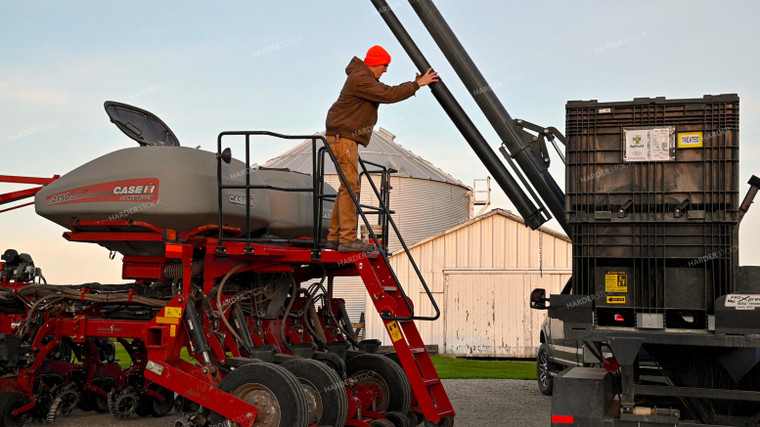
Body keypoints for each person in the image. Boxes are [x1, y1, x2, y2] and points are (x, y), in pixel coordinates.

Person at [325, 45, 439, 252]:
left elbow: (386, 92)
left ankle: (334, 237)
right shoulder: (360, 78)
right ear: (375, 62)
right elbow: (388, 94)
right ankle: (347, 239)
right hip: (344, 139)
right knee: (351, 187)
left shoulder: (361, 77)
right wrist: (417, 84)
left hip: (344, 138)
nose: (386, 70)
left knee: (346, 187)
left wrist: (414, 85)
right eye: (385, 65)